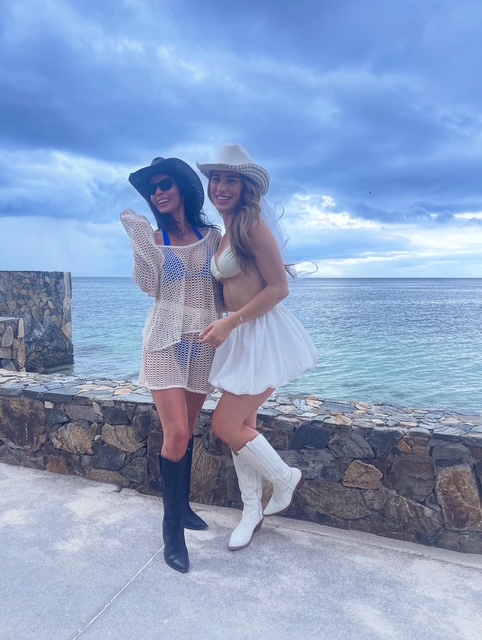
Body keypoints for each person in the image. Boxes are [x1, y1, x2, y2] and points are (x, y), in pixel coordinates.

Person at [197, 144, 319, 551]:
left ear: (246, 186)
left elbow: (279, 288)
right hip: (240, 336)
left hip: (262, 334)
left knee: (225, 425)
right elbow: (229, 288)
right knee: (243, 428)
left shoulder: (252, 226)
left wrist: (231, 321)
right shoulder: (224, 233)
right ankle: (251, 511)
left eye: (231, 180)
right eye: (216, 179)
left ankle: (285, 478)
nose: (221, 187)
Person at [121, 157, 222, 573]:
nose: (158, 193)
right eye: (152, 189)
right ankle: (172, 532)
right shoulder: (155, 239)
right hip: (164, 341)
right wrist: (140, 238)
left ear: (182, 187)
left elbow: (229, 283)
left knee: (189, 429)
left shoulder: (213, 237)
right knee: (176, 433)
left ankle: (183, 508)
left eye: (165, 184)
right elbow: (149, 287)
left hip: (203, 343)